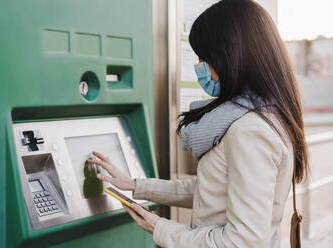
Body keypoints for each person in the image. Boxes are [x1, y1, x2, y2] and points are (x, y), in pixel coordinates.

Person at [88, 0, 308, 247]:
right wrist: (136, 186)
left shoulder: (250, 130)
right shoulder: (261, 115)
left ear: (231, 56)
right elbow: (214, 190)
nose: (201, 68)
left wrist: (159, 227)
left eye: (205, 58)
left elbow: (243, 242)